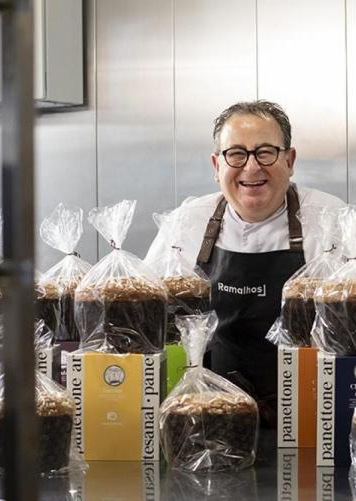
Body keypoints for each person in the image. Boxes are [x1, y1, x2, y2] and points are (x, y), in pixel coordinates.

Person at [147, 100, 344, 426]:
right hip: (207, 420)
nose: (251, 167)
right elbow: (150, 324)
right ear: (216, 165)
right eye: (236, 153)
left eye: (265, 152)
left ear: (290, 160)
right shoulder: (185, 224)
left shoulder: (330, 219)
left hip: (310, 419)